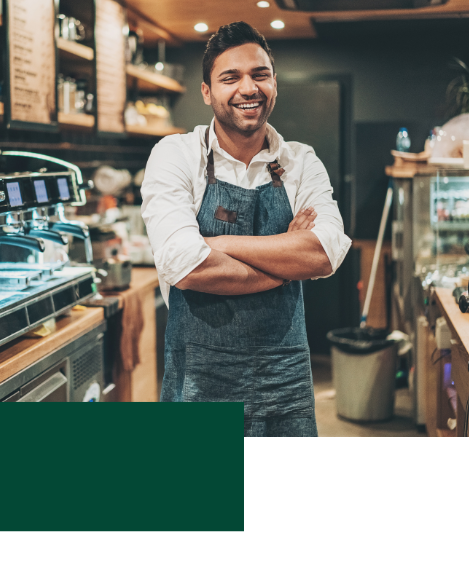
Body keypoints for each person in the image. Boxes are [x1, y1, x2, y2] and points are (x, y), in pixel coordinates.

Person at [140, 22, 352, 437]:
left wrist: (218, 243)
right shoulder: (177, 155)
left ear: (274, 83)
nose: (248, 88)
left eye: (260, 74)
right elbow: (188, 266)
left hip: (285, 379)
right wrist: (287, 256)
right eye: (230, 77)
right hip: (199, 381)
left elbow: (324, 253)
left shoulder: (300, 161)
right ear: (206, 91)